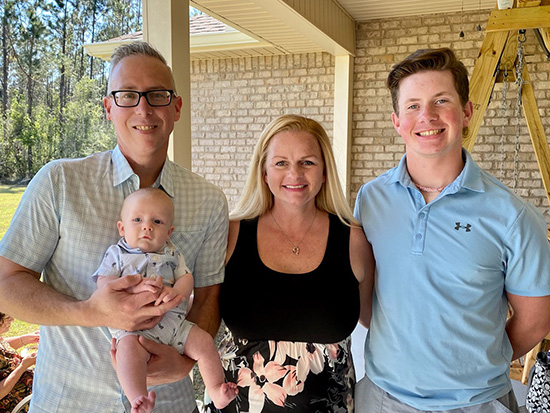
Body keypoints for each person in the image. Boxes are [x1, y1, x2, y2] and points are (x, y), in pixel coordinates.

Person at [0, 41, 229, 412]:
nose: (143, 108)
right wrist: (90, 310)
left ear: (177, 108)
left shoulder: (209, 200)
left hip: (168, 403)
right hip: (71, 401)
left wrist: (185, 363)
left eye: (157, 95)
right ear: (108, 107)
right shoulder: (59, 182)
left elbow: (207, 298)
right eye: (126, 95)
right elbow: (5, 283)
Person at [354, 47, 550, 412]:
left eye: (441, 100)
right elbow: (366, 298)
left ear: (466, 111)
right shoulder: (371, 200)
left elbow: (536, 321)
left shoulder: (512, 215)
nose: (426, 116)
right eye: (412, 105)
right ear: (396, 121)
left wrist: (472, 364)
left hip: (475, 404)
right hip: (382, 398)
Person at [204, 114, 375, 413]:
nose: (294, 174)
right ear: (264, 173)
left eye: (307, 162)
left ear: (324, 172)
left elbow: (376, 318)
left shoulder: (354, 241)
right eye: (281, 163)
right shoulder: (229, 234)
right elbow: (200, 314)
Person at [94, 187, 237, 412]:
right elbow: (104, 285)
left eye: (157, 222)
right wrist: (133, 287)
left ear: (169, 232)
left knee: (204, 343)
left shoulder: (172, 253)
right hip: (134, 331)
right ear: (122, 228)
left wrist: (177, 291)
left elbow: (186, 277)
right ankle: (138, 399)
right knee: (127, 354)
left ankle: (217, 389)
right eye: (138, 219)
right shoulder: (117, 254)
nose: (147, 226)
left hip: (175, 326)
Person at [0, 313, 38, 412]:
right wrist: (23, 366)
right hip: (19, 404)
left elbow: (2, 346)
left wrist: (24, 339)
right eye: (7, 317)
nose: (12, 319)